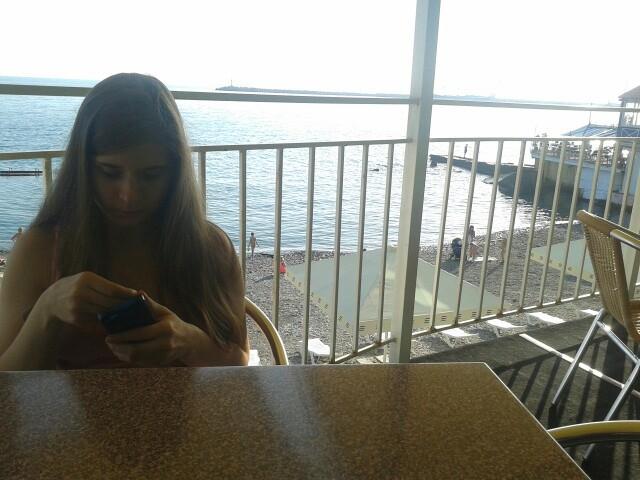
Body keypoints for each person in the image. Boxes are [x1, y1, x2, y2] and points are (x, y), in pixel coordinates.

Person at [0, 73, 248, 370]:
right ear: (82, 168)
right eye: (109, 172)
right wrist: (47, 309)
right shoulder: (40, 250)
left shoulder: (212, 248)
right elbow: (7, 384)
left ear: (175, 173)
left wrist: (189, 342)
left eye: (151, 175)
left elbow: (240, 363)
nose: (129, 196)